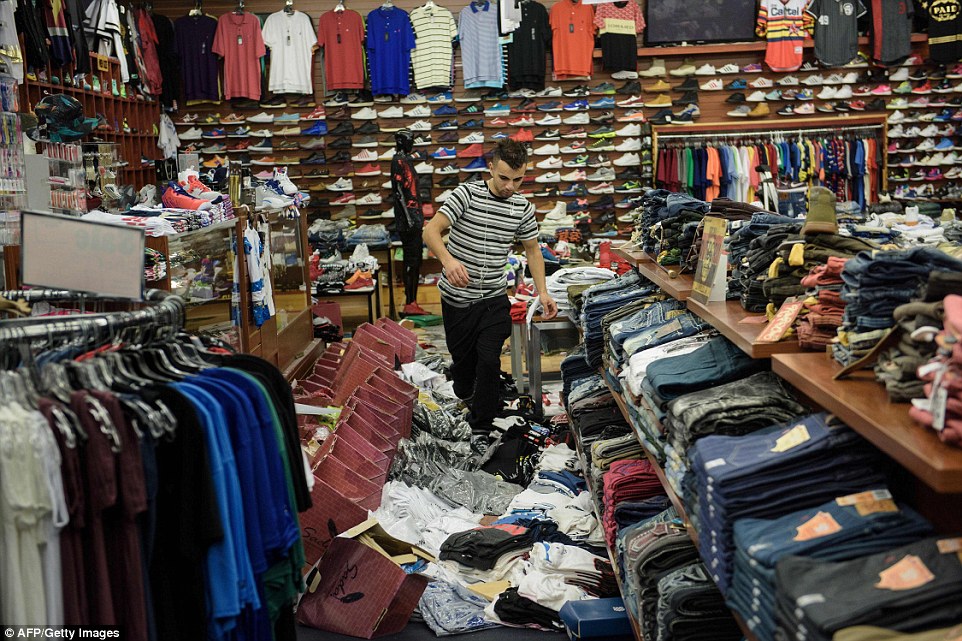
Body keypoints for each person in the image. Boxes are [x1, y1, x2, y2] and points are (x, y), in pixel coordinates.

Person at [423, 139, 558, 434]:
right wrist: (448, 261)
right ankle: (465, 386)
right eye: (504, 178)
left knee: (488, 359)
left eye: (518, 179)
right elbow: (430, 231)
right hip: (457, 299)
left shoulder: (522, 207)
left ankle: (481, 425)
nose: (510, 186)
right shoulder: (466, 194)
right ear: (491, 168)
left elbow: (533, 250)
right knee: (464, 371)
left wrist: (543, 291)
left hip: (494, 298)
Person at [390, 129, 428, 315]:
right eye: (409, 140)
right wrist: (410, 218)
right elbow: (398, 192)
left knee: (416, 260)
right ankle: (410, 302)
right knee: (412, 260)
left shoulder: (405, 159)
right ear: (400, 141)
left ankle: (412, 301)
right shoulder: (398, 161)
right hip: (409, 220)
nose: (412, 143)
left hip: (414, 217)